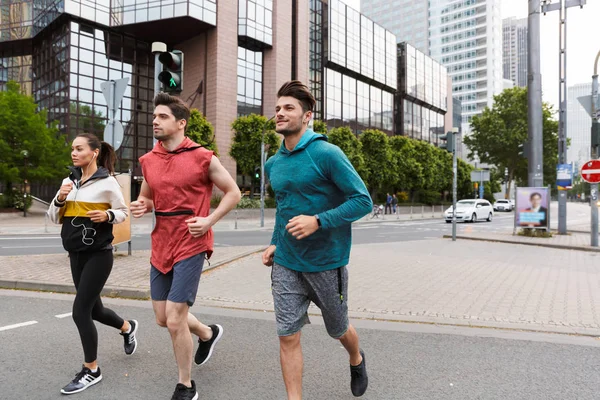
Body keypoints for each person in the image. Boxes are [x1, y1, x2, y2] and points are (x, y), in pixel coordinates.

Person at [262, 81, 372, 399]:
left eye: (289, 108)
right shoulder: (274, 164)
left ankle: (356, 358)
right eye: (278, 108)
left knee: (338, 329)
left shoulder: (326, 153)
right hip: (286, 262)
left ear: (307, 116)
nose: (280, 113)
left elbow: (362, 200)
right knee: (287, 336)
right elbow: (283, 210)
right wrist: (274, 241)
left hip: (326, 262)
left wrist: (318, 221)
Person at [130, 93, 240, 400]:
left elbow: (233, 193)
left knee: (175, 319)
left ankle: (186, 385)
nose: (155, 120)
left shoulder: (203, 157)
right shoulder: (148, 160)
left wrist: (209, 221)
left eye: (162, 116)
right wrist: (142, 205)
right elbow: (148, 196)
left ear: (181, 123)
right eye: (154, 116)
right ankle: (207, 333)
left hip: (192, 241)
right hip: (160, 243)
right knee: (162, 317)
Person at [47, 133, 137, 395]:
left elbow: (123, 212)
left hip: (99, 254)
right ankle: (127, 327)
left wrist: (107, 214)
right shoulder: (68, 181)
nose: (73, 153)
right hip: (75, 254)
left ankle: (91, 369)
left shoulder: (107, 182)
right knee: (94, 310)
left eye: (79, 148)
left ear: (94, 152)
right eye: (72, 149)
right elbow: (53, 217)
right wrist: (60, 199)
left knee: (80, 311)